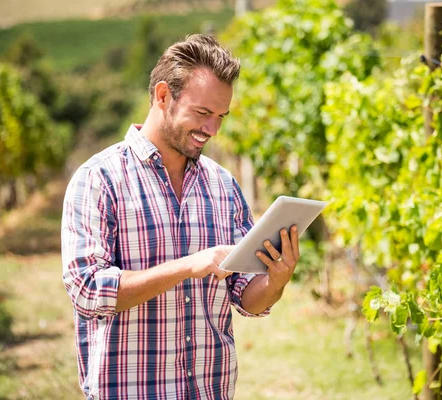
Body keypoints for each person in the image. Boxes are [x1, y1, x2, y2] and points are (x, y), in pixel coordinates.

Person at [61, 34, 301, 400]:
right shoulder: (99, 179)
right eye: (203, 113)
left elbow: (244, 296)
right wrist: (188, 265)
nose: (213, 129)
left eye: (221, 116)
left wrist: (275, 282)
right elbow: (88, 291)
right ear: (162, 96)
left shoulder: (224, 187)